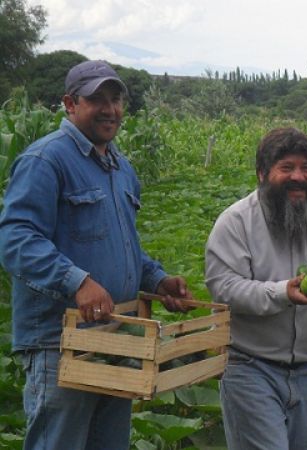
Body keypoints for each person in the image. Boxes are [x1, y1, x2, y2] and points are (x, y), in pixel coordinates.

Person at [0, 60, 191, 450]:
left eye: (116, 99)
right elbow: (15, 238)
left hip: (115, 336)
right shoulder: (46, 160)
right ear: (70, 104)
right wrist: (78, 281)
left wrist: (156, 280)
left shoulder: (120, 168)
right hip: (61, 340)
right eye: (97, 99)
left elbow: (123, 246)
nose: (111, 109)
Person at [205, 127, 307, 450]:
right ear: (262, 173)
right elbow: (223, 288)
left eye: (306, 168)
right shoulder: (236, 222)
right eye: (287, 167)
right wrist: (282, 293)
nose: (299, 177)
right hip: (251, 368)